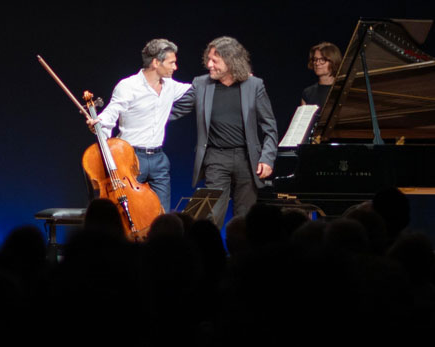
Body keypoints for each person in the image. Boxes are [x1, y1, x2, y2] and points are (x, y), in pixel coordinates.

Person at [170, 36, 278, 229]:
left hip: (248, 160)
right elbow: (174, 111)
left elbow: (269, 126)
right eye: (208, 59)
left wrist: (267, 158)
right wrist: (137, 115)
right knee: (209, 218)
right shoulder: (201, 84)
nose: (209, 65)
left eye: (215, 61)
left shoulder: (254, 85)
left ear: (230, 61)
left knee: (245, 220)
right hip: (216, 158)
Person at [93, 38, 191, 212]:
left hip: (158, 158)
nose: (175, 67)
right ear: (156, 63)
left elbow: (197, 89)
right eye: (171, 63)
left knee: (162, 214)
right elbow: (112, 112)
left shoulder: (170, 86)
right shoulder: (128, 86)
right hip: (131, 158)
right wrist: (99, 123)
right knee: (132, 212)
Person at [302, 41, 342, 107]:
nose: (317, 63)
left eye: (322, 60)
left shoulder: (343, 90)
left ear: (333, 62)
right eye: (315, 59)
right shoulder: (308, 92)